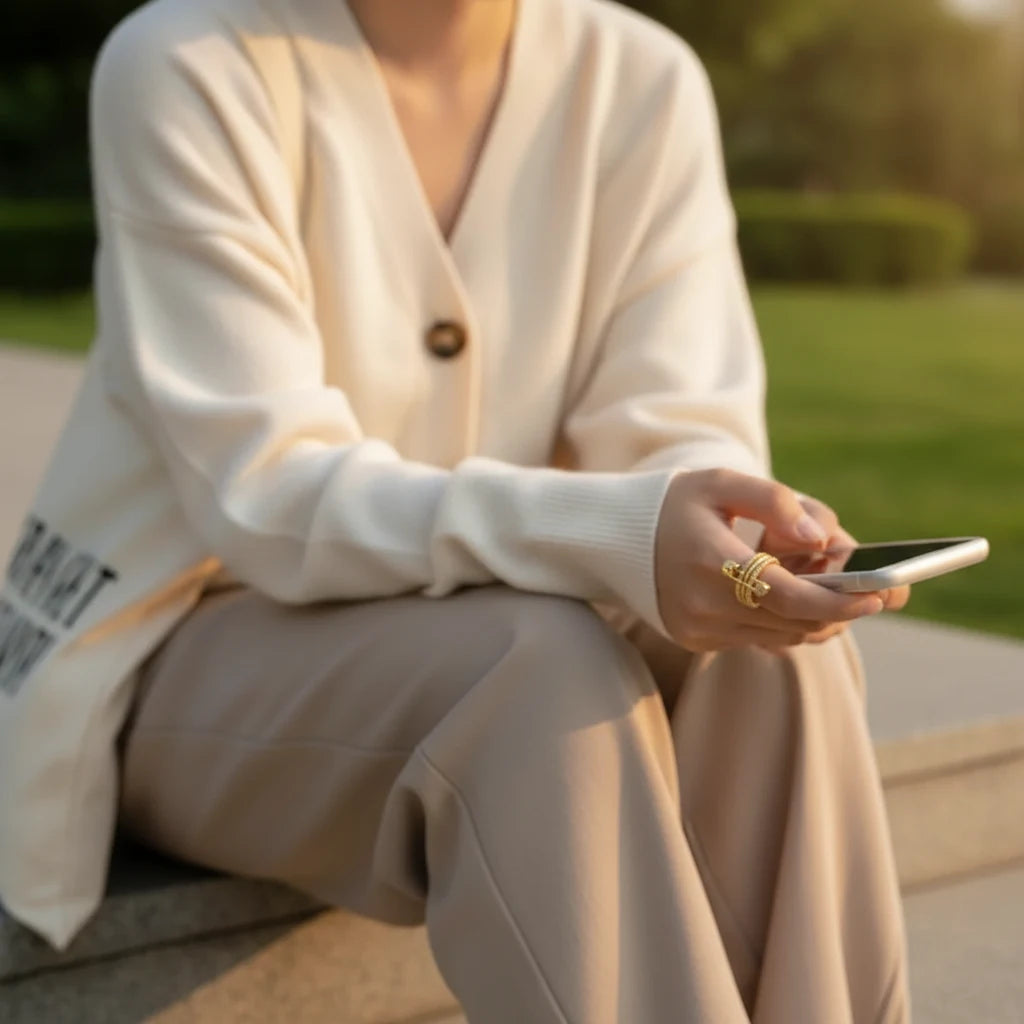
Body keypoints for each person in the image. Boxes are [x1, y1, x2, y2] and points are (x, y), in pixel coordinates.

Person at [0, 0, 912, 1019]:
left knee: (775, 657)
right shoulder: (189, 57)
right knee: (531, 674)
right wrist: (613, 536)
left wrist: (746, 549)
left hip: (493, 622)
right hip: (187, 642)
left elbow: (677, 433)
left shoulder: (640, 77)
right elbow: (267, 495)